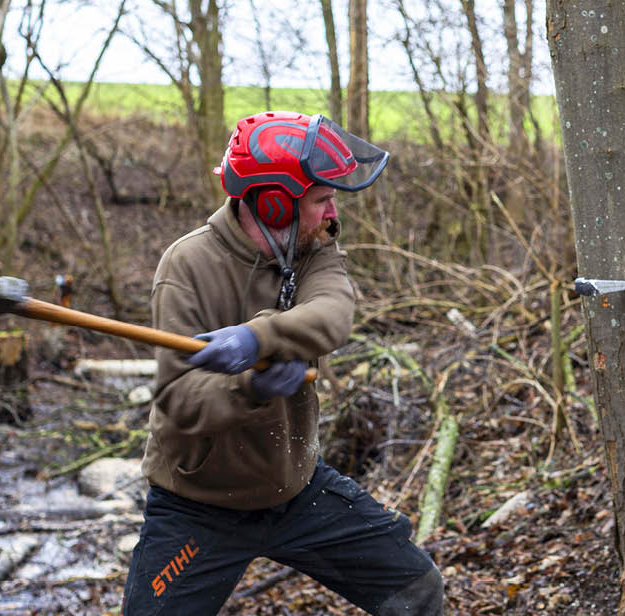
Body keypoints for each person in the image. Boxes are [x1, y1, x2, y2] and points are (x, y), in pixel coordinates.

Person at [122, 112, 443, 615]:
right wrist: (252, 388)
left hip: (296, 488)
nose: (333, 211)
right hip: (198, 504)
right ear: (272, 203)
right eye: (321, 198)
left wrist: (258, 337)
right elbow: (179, 403)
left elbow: (332, 314)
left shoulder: (313, 247)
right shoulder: (186, 268)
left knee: (416, 589)